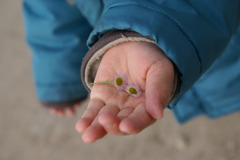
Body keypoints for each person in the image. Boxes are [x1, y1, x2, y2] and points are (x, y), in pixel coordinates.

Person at [23, 0, 240, 143]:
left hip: (217, 50)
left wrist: (147, 30)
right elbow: (51, 10)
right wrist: (57, 75)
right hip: (132, 53)